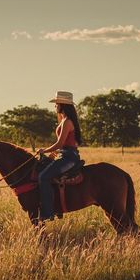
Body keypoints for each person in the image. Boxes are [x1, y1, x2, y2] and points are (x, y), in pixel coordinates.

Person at [36, 91, 83, 222]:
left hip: (69, 157)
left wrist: (44, 150)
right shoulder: (63, 120)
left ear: (63, 105)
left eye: (57, 103)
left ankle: (47, 212)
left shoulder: (67, 122)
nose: (55, 106)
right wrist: (54, 154)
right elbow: (62, 145)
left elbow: (60, 143)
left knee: (43, 177)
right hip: (63, 154)